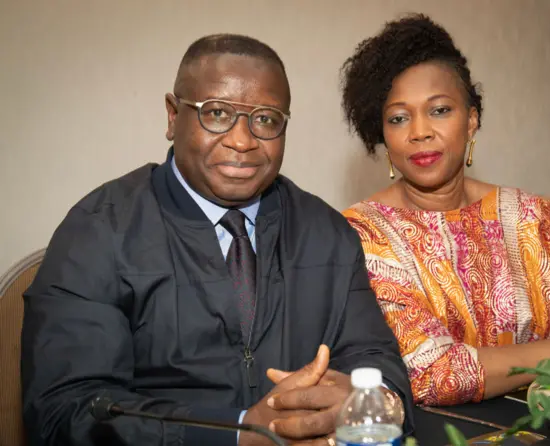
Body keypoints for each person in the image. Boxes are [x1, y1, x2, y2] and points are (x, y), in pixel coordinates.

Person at [21, 34, 413, 446]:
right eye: (217, 113)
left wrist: (369, 401)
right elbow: (65, 410)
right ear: (173, 116)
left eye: (265, 119)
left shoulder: (327, 231)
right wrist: (241, 432)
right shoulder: (98, 232)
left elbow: (377, 362)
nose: (242, 141)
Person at [340, 14, 550, 407]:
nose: (420, 131)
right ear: (383, 136)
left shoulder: (537, 218)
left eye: (440, 110)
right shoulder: (360, 235)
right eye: (399, 118)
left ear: (472, 120)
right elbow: (435, 374)